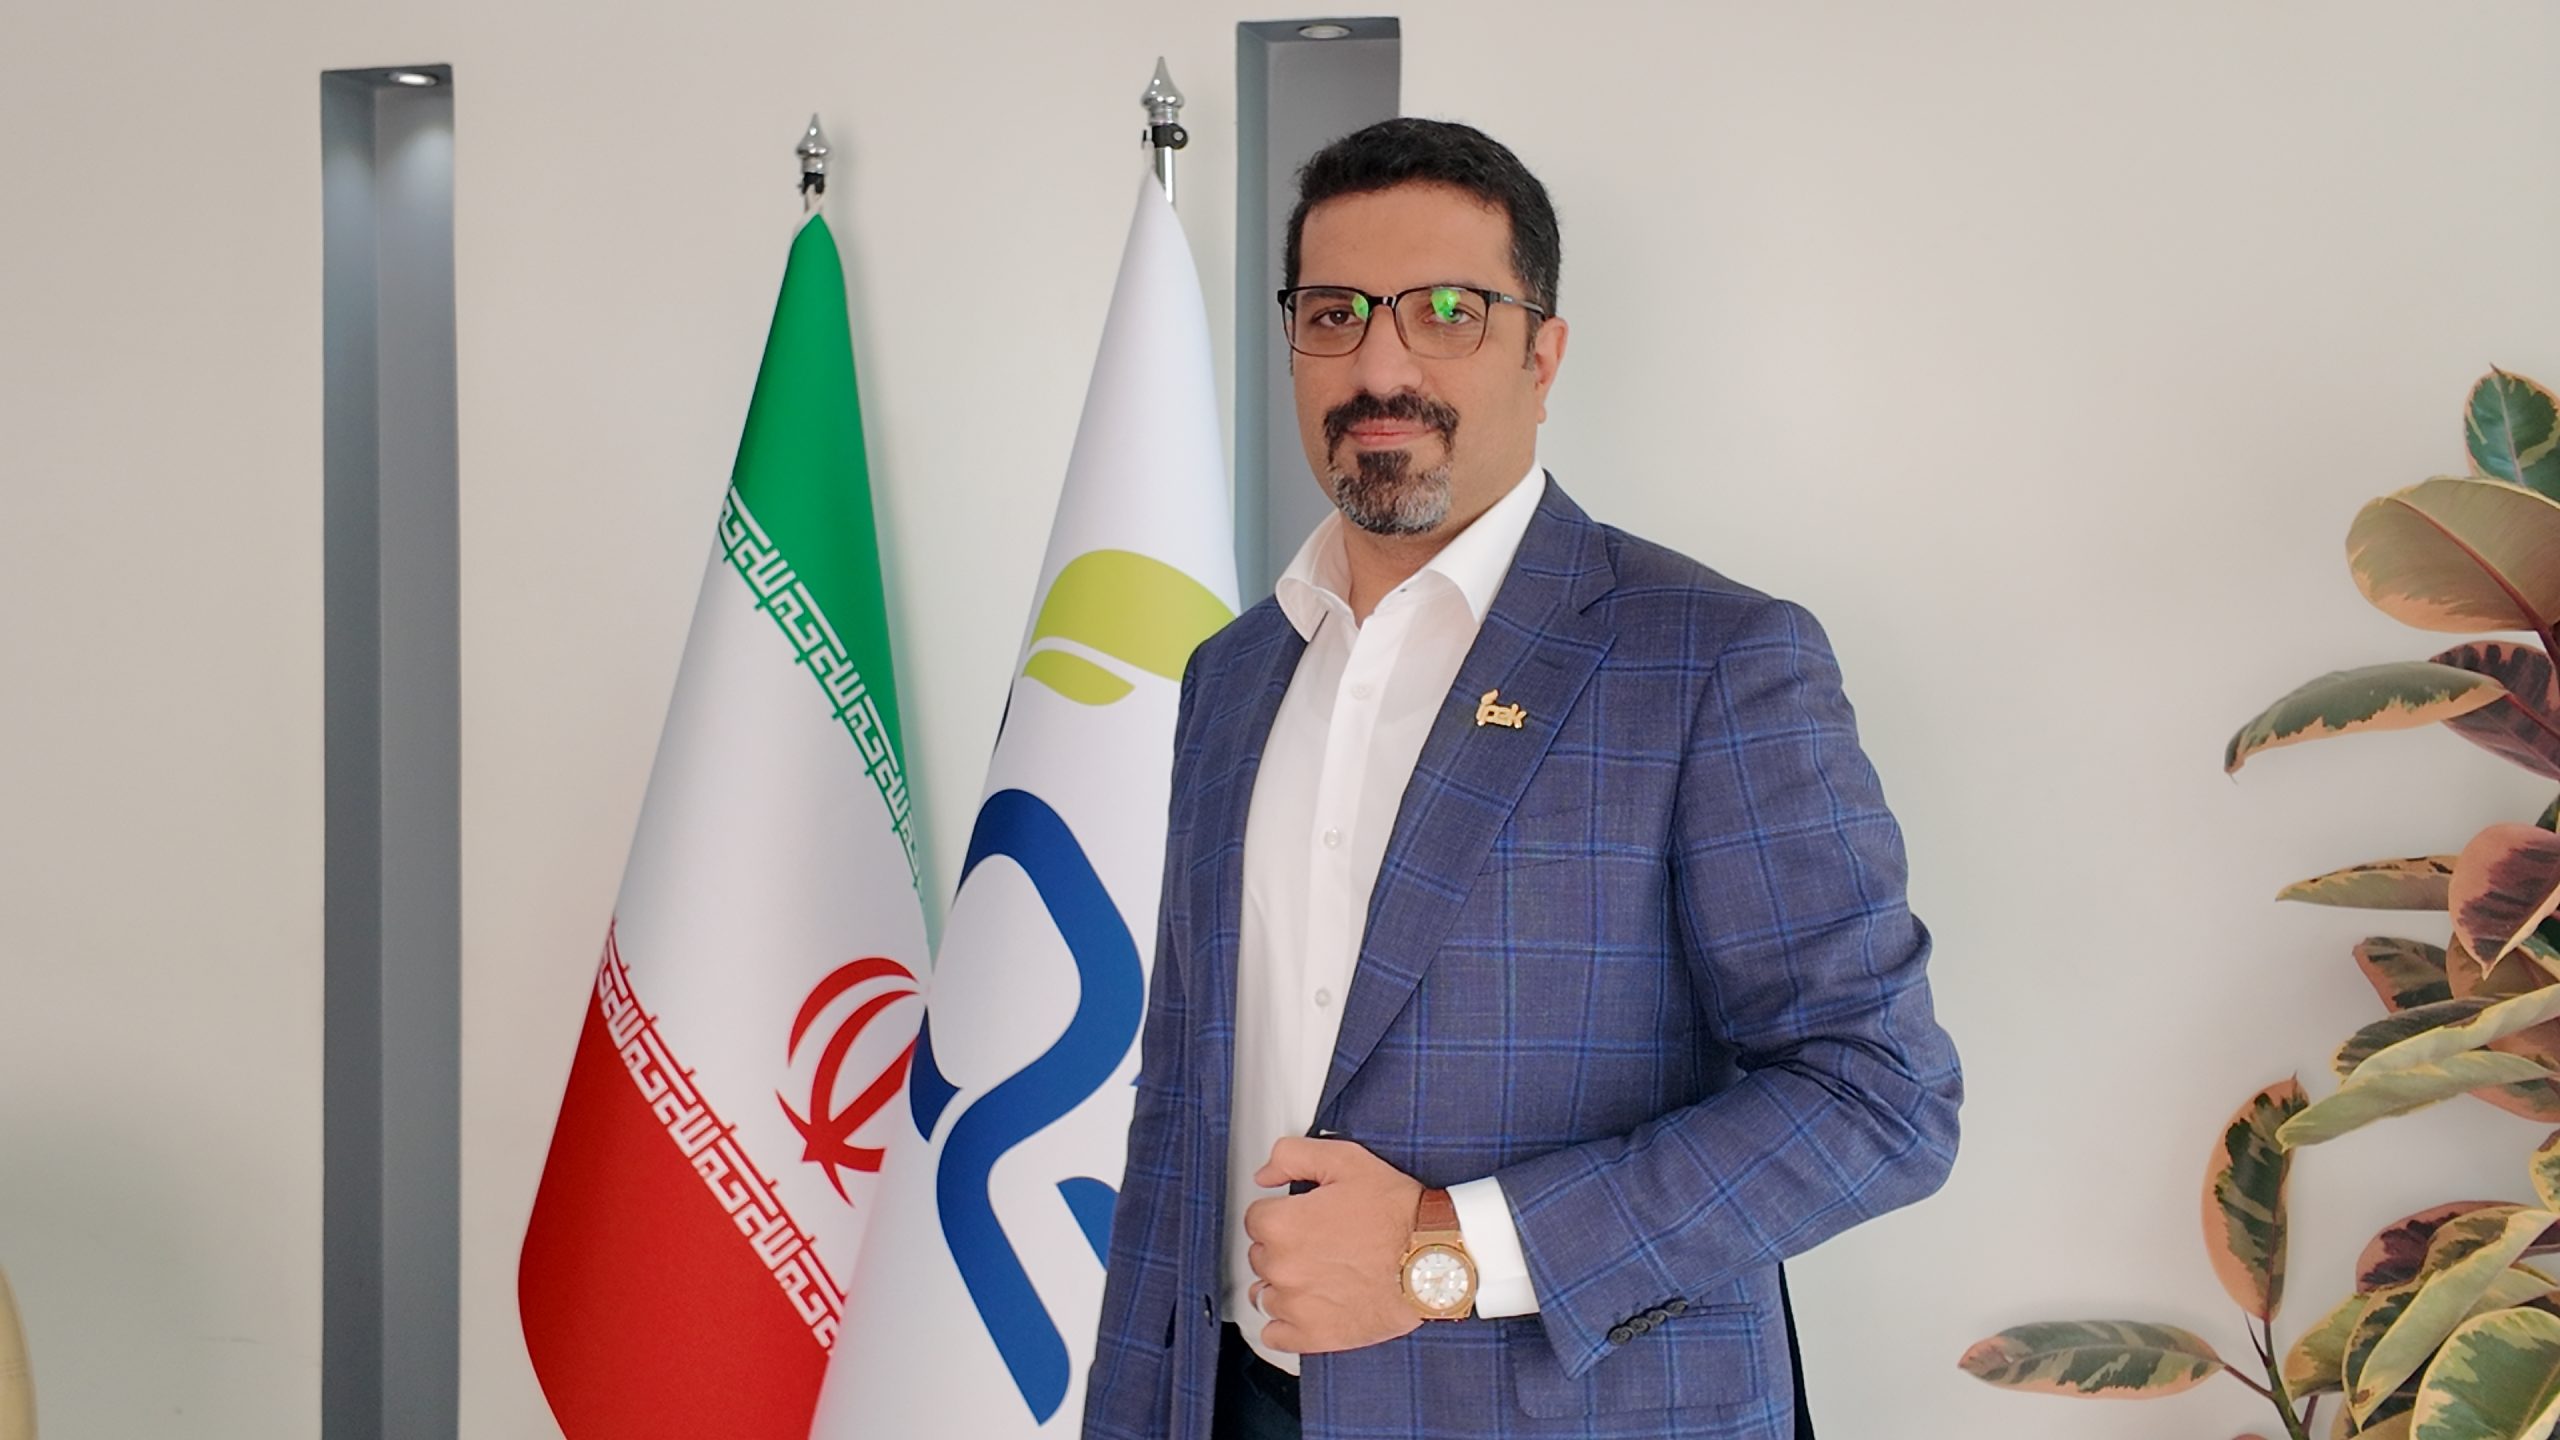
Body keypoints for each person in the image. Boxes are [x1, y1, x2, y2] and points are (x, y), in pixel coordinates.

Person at [1081, 117, 1961, 1440]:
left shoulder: (1710, 660)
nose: (1380, 364)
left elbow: (1880, 1096)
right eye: (1334, 312)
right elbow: (1181, 1097)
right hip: (1232, 1402)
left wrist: (1443, 1252)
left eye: (1447, 311)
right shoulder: (1232, 674)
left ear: (1542, 355)